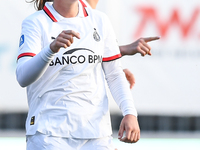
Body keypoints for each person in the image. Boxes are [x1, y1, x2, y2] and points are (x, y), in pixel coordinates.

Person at [16, 0, 140, 149]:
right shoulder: (36, 22)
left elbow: (114, 74)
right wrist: (50, 49)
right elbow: (23, 77)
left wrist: (130, 113)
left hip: (96, 134)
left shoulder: (100, 20)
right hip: (48, 134)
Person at [84, 0, 160, 89]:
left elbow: (80, 60)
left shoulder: (91, 12)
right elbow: (77, 56)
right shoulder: (74, 8)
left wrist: (112, 71)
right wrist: (122, 50)